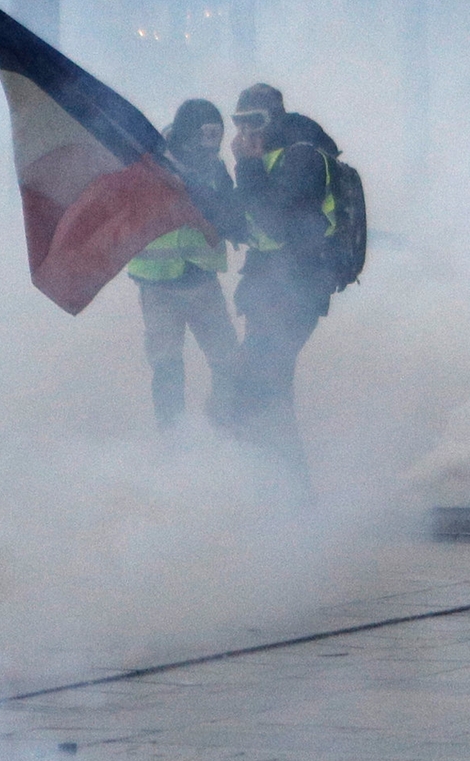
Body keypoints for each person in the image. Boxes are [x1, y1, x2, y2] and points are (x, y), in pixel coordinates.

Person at [227, 83, 337, 479]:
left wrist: (248, 166)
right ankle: (270, 483)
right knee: (254, 388)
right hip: (267, 290)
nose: (246, 131)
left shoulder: (302, 156)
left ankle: (289, 490)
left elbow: (278, 223)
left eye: (255, 121)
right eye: (239, 122)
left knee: (266, 390)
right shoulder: (268, 156)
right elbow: (245, 221)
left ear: (274, 117)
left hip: (297, 291)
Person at [127, 99, 238, 429]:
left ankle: (222, 424)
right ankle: (174, 437)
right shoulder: (149, 165)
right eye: (205, 139)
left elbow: (228, 213)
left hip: (202, 281)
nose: (210, 148)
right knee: (167, 366)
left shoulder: (214, 167)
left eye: (215, 139)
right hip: (157, 286)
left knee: (227, 360)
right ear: (188, 136)